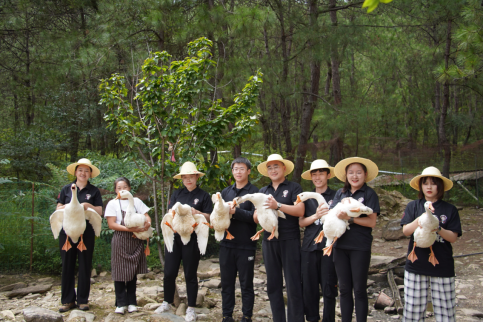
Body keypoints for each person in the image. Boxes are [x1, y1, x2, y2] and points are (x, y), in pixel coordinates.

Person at [401, 167, 461, 322]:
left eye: (433, 183)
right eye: (425, 183)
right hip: (416, 265)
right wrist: (420, 219)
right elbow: (406, 231)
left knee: (446, 314)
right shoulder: (413, 206)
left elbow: (453, 238)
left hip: (442, 267)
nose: (429, 187)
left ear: (439, 186)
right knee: (412, 312)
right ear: (421, 186)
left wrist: (438, 228)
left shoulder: (450, 209)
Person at [155, 162, 213, 322]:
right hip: (175, 237)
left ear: (196, 177)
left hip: (192, 239)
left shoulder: (203, 196)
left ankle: (191, 308)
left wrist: (198, 212)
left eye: (191, 176)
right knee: (169, 272)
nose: (188, 180)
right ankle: (167, 302)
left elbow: (209, 217)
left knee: (190, 274)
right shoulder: (176, 194)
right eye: (185, 177)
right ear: (182, 179)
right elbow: (170, 212)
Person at [330, 157, 380, 322]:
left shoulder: (369, 194)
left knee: (359, 289)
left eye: (359, 172)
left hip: (360, 246)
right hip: (340, 246)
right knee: (344, 289)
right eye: (351, 172)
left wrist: (350, 218)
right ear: (346, 175)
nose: (355, 176)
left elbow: (371, 222)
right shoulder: (340, 193)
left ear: (365, 174)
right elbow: (333, 215)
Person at [256, 154, 305, 322]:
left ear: (284, 168)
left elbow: (300, 211)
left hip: (289, 239)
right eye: (269, 167)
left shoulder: (294, 187)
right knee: (273, 284)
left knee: (293, 283)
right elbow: (256, 217)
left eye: (276, 166)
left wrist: (277, 206)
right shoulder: (263, 191)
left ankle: (295, 319)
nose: (273, 170)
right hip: (269, 241)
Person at [56, 158, 104, 312]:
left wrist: (88, 206)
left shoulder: (94, 191)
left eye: (86, 170)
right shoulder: (66, 189)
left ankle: (83, 300)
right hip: (67, 232)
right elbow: (58, 208)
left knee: (84, 265)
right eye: (80, 170)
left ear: (90, 174)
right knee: (67, 264)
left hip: (86, 232)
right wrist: (69, 206)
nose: (83, 173)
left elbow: (100, 212)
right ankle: (68, 300)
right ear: (76, 172)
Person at [219, 157, 259, 323]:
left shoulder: (255, 193)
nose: (238, 172)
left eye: (242, 169)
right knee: (226, 283)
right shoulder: (226, 192)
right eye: (235, 169)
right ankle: (227, 315)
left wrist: (236, 212)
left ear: (248, 171)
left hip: (246, 245)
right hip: (226, 244)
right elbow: (219, 214)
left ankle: (247, 316)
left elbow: (256, 218)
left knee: (246, 284)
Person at [104, 177, 152, 315]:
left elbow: (146, 216)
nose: (122, 190)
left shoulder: (136, 201)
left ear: (129, 188)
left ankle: (132, 302)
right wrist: (130, 229)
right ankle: (120, 303)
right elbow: (112, 224)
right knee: (119, 272)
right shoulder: (112, 204)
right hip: (120, 238)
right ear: (115, 191)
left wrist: (147, 223)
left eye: (125, 187)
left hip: (136, 239)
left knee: (132, 272)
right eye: (119, 188)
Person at [299, 160, 337, 323]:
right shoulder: (306, 197)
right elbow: (301, 222)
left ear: (328, 175)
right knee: (309, 288)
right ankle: (312, 318)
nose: (317, 177)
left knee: (329, 287)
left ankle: (329, 319)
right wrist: (315, 215)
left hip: (330, 247)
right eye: (314, 174)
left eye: (321, 173)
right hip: (309, 246)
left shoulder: (337, 195)